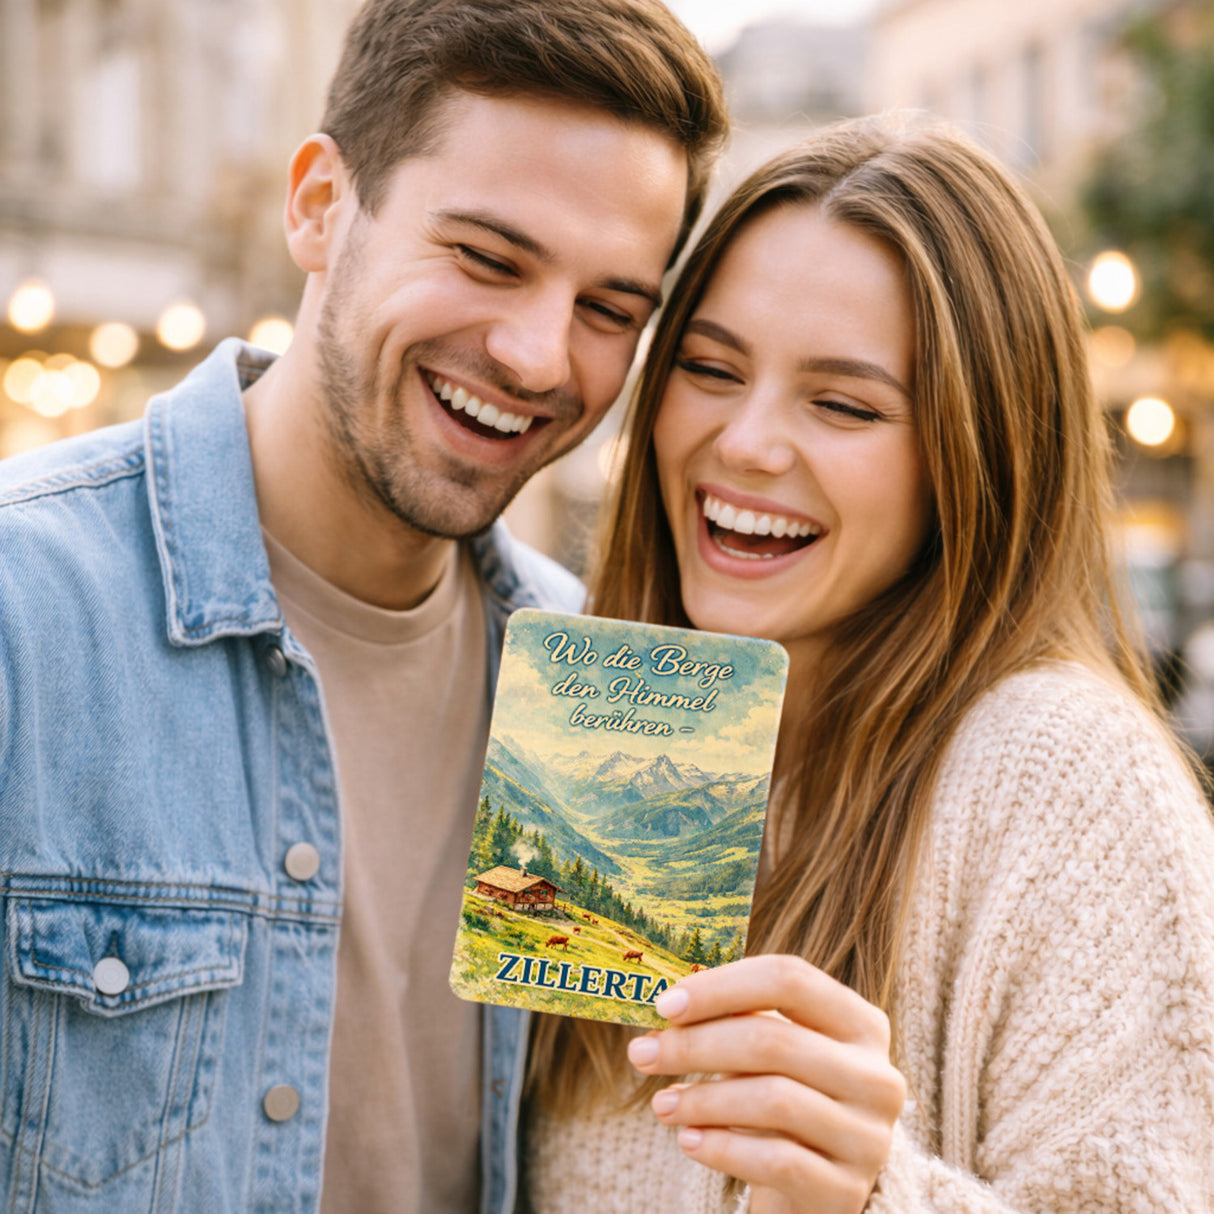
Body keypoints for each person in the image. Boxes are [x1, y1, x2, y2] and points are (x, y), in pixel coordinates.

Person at [0, 3, 727, 1212]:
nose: (541, 356)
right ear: (319, 206)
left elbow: (617, 1175)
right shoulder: (25, 607)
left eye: (609, 308)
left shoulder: (618, 691)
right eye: (487, 257)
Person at [524, 114, 1214, 1213]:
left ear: (971, 452)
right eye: (708, 367)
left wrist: (869, 1194)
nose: (745, 440)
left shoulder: (1066, 778)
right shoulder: (618, 722)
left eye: (841, 403)